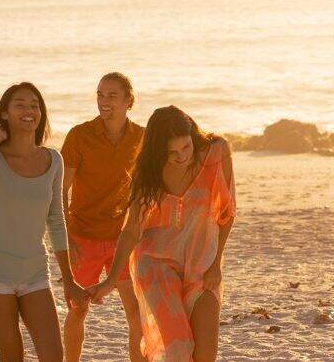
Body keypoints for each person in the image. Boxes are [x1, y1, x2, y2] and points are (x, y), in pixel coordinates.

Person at [90, 106, 237, 362]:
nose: (181, 157)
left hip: (202, 263)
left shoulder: (216, 153)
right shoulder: (148, 174)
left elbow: (227, 212)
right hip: (155, 264)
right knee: (177, 350)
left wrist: (216, 263)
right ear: (159, 151)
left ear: (193, 136)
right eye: (172, 153)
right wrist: (111, 278)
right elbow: (132, 230)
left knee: (205, 355)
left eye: (186, 148)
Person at [0, 83, 69, 362]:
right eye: (20, 104)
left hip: (35, 272)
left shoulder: (53, 159)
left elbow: (57, 220)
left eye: (34, 104)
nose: (29, 110)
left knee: (54, 356)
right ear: (5, 113)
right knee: (12, 357)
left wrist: (69, 280)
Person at [60, 73, 147, 362]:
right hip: (83, 237)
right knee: (78, 309)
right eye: (100, 94)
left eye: (112, 95)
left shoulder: (143, 138)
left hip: (125, 239)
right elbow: (61, 190)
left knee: (136, 314)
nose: (104, 101)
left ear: (128, 101)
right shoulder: (80, 135)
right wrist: (67, 237)